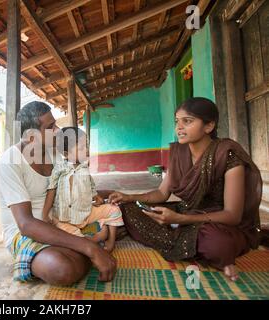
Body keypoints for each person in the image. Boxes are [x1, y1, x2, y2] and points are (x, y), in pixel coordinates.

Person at [108, 97, 262, 282]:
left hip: (216, 222)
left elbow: (232, 215)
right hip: (185, 213)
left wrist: (181, 219)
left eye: (187, 121)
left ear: (209, 126)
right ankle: (187, 239)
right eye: (176, 121)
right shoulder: (178, 153)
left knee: (218, 243)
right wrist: (128, 197)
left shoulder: (227, 155)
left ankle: (187, 239)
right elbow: (161, 194)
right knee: (130, 208)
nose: (179, 127)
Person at [0, 101, 116, 285]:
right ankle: (91, 245)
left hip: (60, 221)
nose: (58, 130)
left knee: (118, 212)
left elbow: (73, 187)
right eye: (50, 127)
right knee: (61, 269)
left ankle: (83, 248)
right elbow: (26, 224)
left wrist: (107, 194)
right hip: (27, 233)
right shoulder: (10, 163)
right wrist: (90, 248)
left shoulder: (53, 154)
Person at [42, 127, 124, 252]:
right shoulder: (59, 169)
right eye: (80, 148)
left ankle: (110, 241)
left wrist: (95, 196)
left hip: (85, 213)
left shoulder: (84, 168)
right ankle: (94, 239)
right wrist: (45, 213)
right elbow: (51, 190)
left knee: (114, 210)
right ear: (65, 153)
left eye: (85, 146)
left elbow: (89, 185)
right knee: (71, 238)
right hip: (64, 219)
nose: (86, 150)